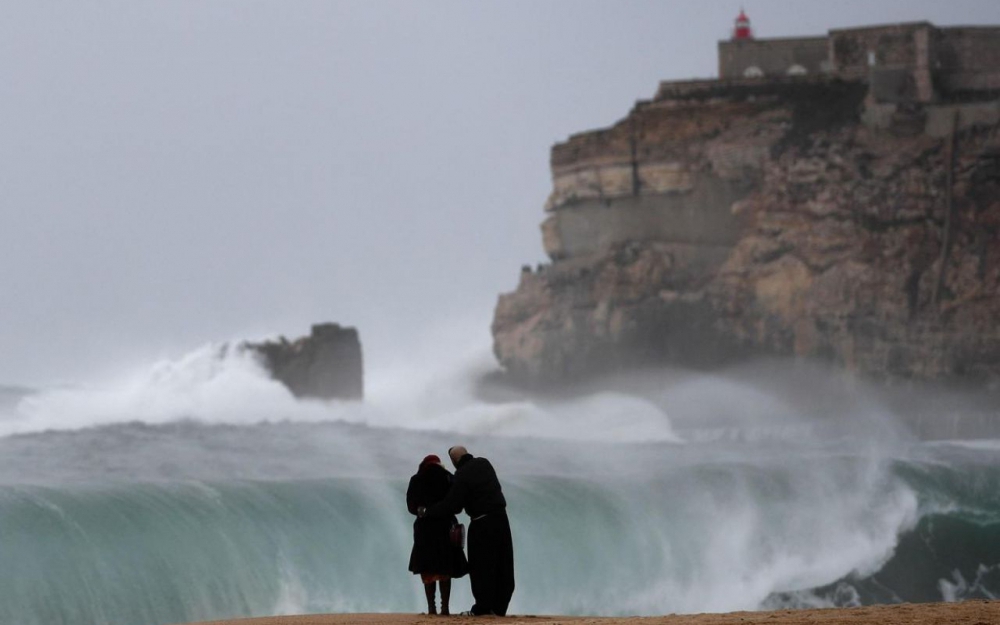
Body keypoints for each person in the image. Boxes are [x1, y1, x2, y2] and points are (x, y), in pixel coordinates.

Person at [419, 446, 515, 616]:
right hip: (501, 519)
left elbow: (453, 506)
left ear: (454, 461)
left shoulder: (461, 475)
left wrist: (429, 512)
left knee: (481, 567)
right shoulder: (485, 463)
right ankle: (499, 609)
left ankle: (482, 608)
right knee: (503, 565)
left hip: (481, 524)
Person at [406, 454, 468, 615]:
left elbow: (411, 506)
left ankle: (431, 608)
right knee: (444, 568)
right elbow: (457, 505)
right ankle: (445, 608)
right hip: (444, 527)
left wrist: (424, 510)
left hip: (424, 529)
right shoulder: (448, 478)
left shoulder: (416, 479)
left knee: (428, 569)